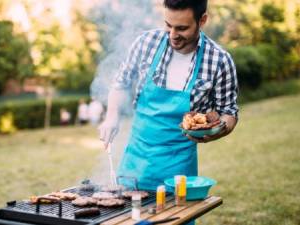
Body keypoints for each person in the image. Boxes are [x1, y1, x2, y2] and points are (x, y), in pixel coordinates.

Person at [99, 0, 238, 193]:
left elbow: (229, 113)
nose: (173, 35)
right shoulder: (145, 43)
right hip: (133, 168)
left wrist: (215, 131)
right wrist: (112, 116)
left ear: (202, 20)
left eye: (181, 28)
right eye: (168, 25)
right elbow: (121, 83)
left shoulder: (219, 61)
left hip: (179, 173)